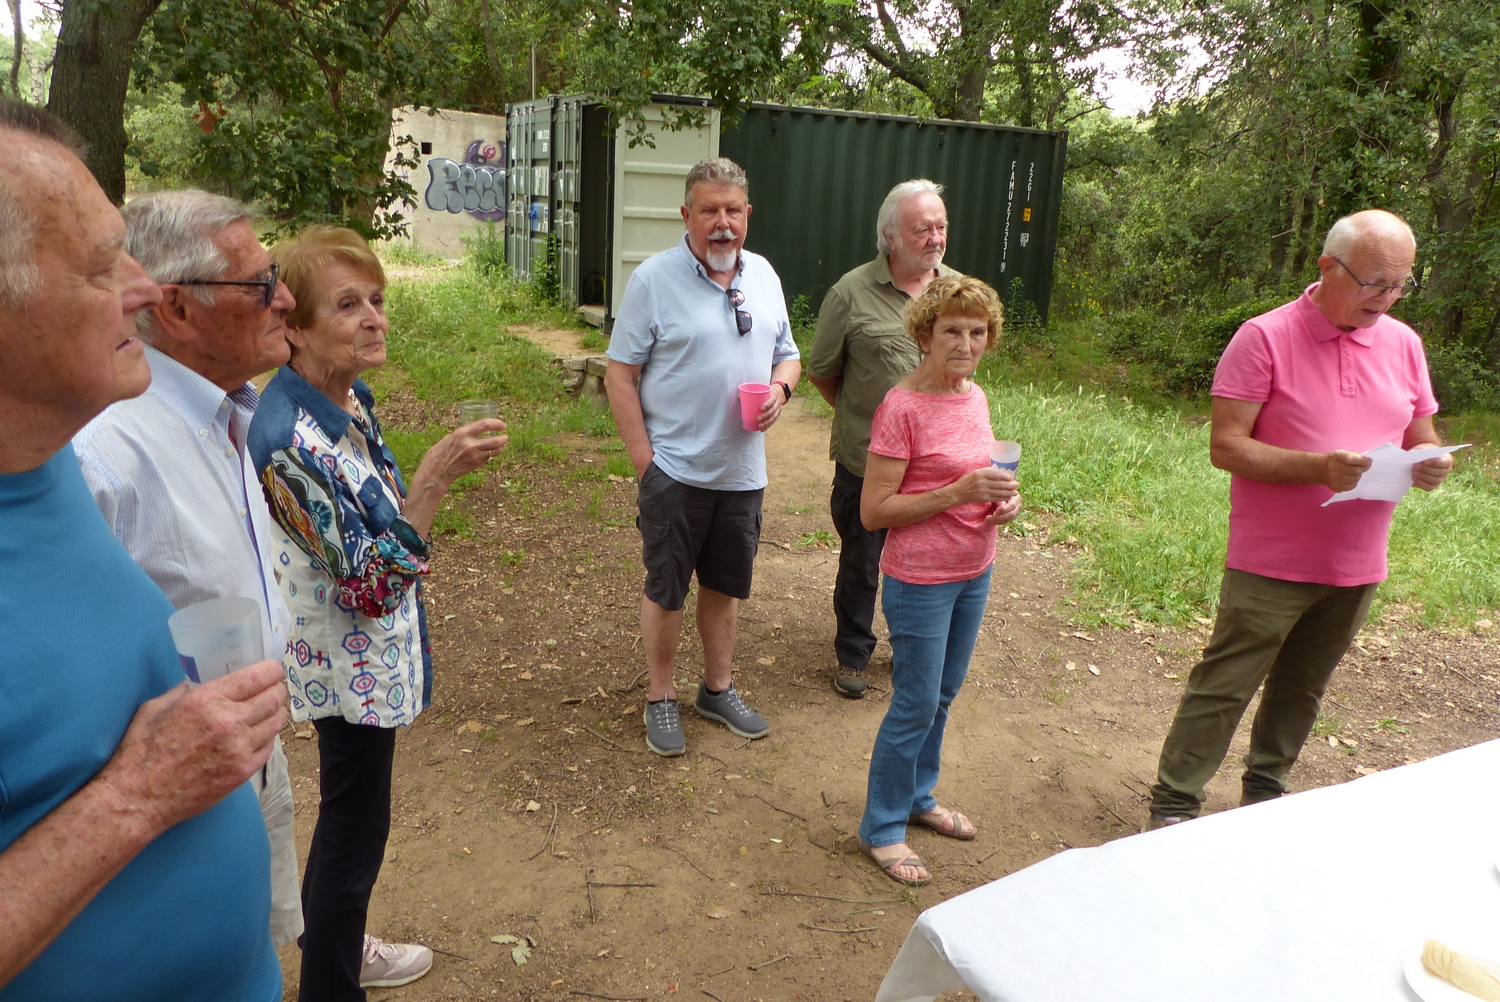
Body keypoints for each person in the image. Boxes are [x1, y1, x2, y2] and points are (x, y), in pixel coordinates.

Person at [72, 191, 428, 987]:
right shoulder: (109, 451)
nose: (286, 299)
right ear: (177, 308)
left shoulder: (227, 415)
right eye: (261, 284)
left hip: (250, 754)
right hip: (170, 805)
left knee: (256, 945)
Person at [0, 97, 287, 1000]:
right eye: (96, 263)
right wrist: (135, 799)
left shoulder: (46, 461)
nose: (141, 287)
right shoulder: (95, 450)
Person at [248, 226, 507, 1000]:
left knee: (352, 821)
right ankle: (332, 982)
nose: (375, 319)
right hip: (343, 667)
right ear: (292, 326)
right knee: (354, 833)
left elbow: (369, 521)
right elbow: (368, 587)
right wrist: (433, 484)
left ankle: (340, 948)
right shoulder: (287, 440)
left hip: (371, 659)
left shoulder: (344, 397)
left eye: (379, 301)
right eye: (348, 304)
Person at [1145, 209, 1453, 830]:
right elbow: (1226, 446)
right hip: (1272, 557)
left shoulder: (1404, 342)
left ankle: (1264, 801)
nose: (1386, 298)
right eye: (1374, 283)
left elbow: (1420, 432)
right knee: (1226, 683)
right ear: (1327, 267)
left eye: (1400, 285)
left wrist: (1431, 459)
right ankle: (1174, 808)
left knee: (1303, 689)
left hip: (1357, 559)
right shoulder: (1262, 337)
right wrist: (1317, 467)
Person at [604, 157, 801, 757]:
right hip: (676, 471)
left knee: (725, 586)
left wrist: (780, 389)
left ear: (748, 215)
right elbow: (620, 374)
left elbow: (788, 353)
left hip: (742, 475)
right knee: (667, 588)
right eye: (709, 211)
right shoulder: (653, 280)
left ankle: (717, 688)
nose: (722, 223)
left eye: (733, 211)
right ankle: (660, 697)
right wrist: (647, 465)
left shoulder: (763, 275)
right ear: (686, 215)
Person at [857, 275, 1020, 886]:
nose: (966, 343)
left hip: (974, 567)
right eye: (952, 329)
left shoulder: (972, 398)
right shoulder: (901, 407)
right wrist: (957, 491)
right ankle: (881, 828)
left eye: (978, 332)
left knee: (943, 696)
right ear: (926, 334)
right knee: (914, 703)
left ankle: (919, 798)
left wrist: (1003, 503)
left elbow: (984, 479)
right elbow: (875, 512)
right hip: (920, 578)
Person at [807, 179, 957, 698]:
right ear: (891, 237)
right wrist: (866, 424)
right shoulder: (850, 293)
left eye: (940, 226)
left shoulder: (957, 292)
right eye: (922, 228)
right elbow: (823, 372)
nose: (935, 237)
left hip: (937, 464)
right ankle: (853, 654)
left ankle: (912, 649)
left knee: (925, 564)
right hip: (868, 460)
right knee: (863, 562)